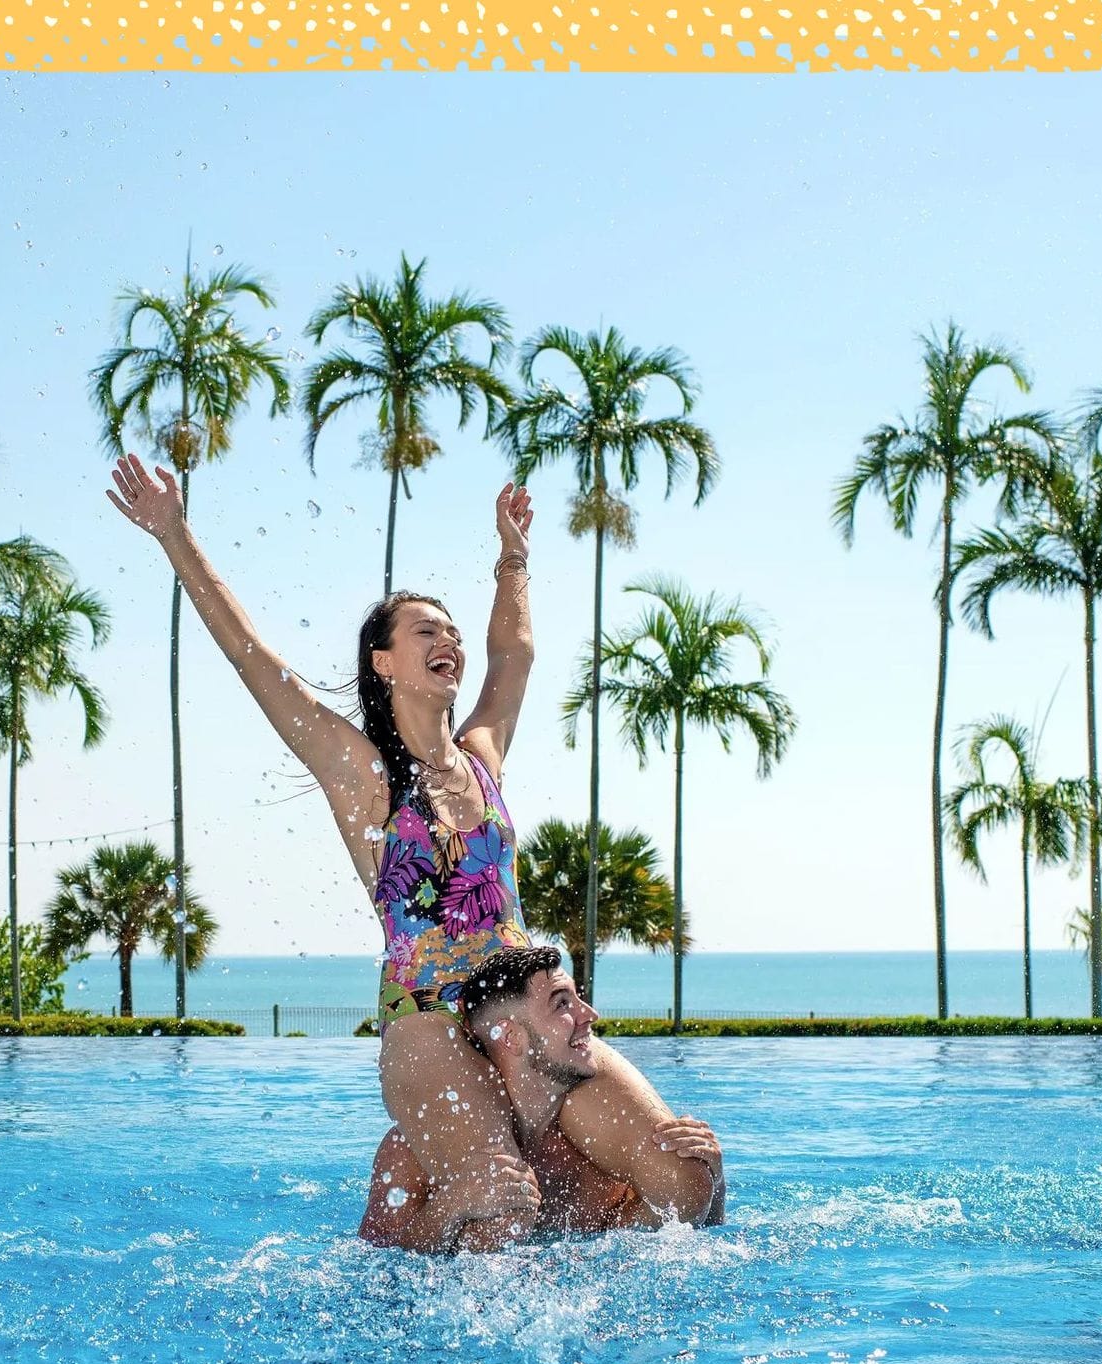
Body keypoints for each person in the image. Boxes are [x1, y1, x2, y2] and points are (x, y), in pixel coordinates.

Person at [105, 455, 719, 1254]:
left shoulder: (483, 757)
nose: (450, 641)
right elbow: (255, 661)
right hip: (428, 1018)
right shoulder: (364, 776)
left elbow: (516, 656)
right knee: (497, 1203)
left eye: (452, 632)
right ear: (384, 662)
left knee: (690, 1181)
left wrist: (514, 558)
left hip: (522, 1004)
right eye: (428, 630)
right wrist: (176, 536)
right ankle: (430, 1236)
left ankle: (599, 1281)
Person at [359, 946, 724, 1246]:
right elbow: (372, 1265)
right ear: (512, 1037)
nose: (590, 1015)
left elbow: (679, 1240)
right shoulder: (412, 1149)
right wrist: (451, 1205)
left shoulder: (600, 1157)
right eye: (563, 1004)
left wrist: (714, 1181)